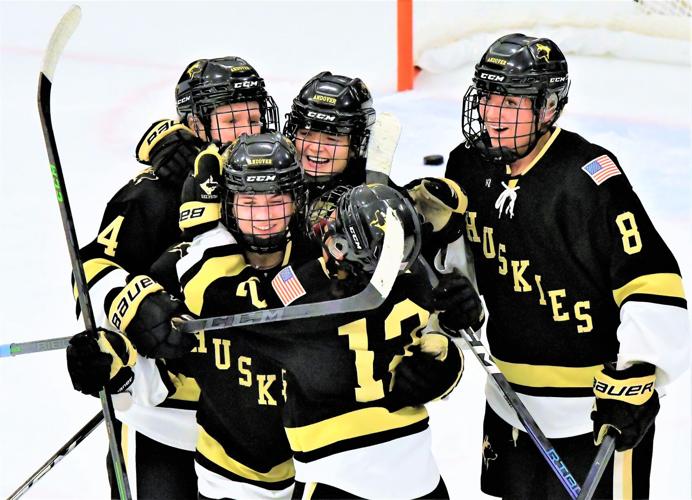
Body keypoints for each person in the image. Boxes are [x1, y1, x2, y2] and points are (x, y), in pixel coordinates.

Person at [444, 33, 690, 498]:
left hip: (595, 414)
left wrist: (639, 375)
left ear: (550, 108)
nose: (493, 116)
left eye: (512, 102)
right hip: (509, 406)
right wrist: (453, 297)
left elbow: (651, 279)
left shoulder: (587, 177)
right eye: (489, 98)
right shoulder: (466, 167)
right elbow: (461, 268)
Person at [69, 56, 279, 499]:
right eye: (230, 119)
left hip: (248, 417)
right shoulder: (154, 192)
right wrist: (135, 303)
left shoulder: (276, 184)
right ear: (194, 124)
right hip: (163, 414)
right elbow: (89, 270)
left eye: (254, 117)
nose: (248, 131)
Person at [283, 71, 375, 199]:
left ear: (356, 145)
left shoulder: (372, 198)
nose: (315, 148)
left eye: (331, 139)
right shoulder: (273, 184)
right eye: (305, 134)